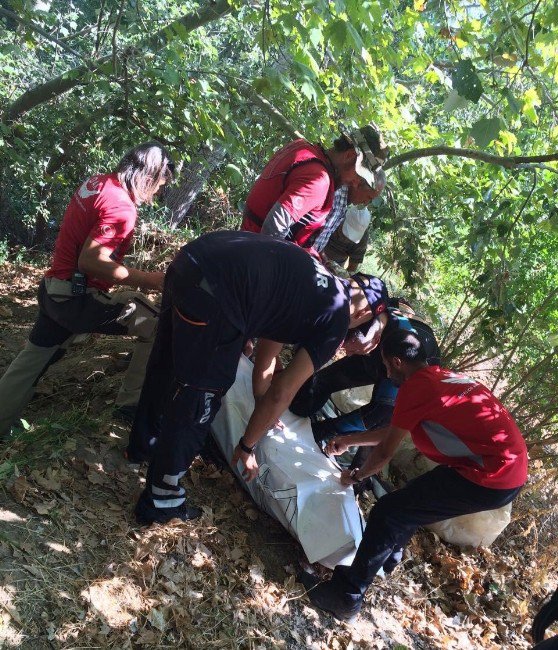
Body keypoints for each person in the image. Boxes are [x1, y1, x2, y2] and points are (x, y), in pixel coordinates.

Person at [126, 230, 390, 526]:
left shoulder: (318, 285)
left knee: (167, 362)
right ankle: (161, 499)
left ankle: (143, 444)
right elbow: (284, 391)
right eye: (367, 323)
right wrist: (248, 446)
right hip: (216, 291)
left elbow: (266, 359)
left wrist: (260, 400)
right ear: (366, 309)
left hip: (192, 260)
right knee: (202, 395)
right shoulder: (336, 318)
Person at [299, 330, 528, 622]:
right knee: (408, 504)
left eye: (383, 362)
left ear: (395, 362)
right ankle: (388, 558)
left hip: (491, 477)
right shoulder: (438, 378)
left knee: (388, 512)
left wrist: (356, 476)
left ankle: (346, 595)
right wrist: (351, 440)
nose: (383, 369)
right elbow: (399, 429)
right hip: (503, 466)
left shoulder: (414, 389)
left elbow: (384, 454)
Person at [0, 142, 175, 437]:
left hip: (55, 288)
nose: (155, 193)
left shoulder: (97, 182)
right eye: (157, 185)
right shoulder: (122, 206)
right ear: (148, 175)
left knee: (30, 363)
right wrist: (148, 279)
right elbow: (91, 259)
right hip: (76, 298)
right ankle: (129, 406)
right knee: (156, 323)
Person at [290, 299, 440, 475]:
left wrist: (330, 432)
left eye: (352, 349)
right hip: (377, 354)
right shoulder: (372, 320)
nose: (348, 353)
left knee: (378, 418)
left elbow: (381, 419)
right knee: (324, 380)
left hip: (398, 368)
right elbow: (387, 306)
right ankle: (297, 412)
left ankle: (356, 474)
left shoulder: (413, 375)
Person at [241, 124, 388, 254]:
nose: (356, 183)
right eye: (359, 175)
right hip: (251, 254)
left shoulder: (302, 146)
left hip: (244, 241)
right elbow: (274, 228)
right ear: (349, 155)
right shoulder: (319, 179)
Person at [316, 168, 386, 271]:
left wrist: (333, 269)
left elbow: (352, 267)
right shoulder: (336, 200)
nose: (366, 203)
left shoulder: (342, 206)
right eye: (369, 197)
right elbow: (316, 238)